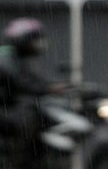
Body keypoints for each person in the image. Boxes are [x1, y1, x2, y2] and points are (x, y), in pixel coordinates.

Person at [0, 18, 64, 147]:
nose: (39, 43)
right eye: (35, 39)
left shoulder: (15, 58)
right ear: (22, 40)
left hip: (8, 106)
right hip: (4, 109)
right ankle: (21, 156)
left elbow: (32, 79)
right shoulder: (5, 58)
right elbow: (22, 81)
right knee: (30, 119)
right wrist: (49, 89)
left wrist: (56, 85)